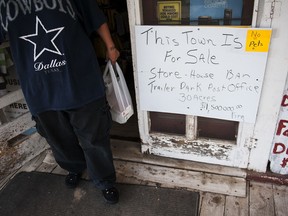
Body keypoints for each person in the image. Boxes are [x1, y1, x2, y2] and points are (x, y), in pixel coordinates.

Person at [0, 0, 120, 204]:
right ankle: (74, 167)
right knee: (58, 138)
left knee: (94, 138)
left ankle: (104, 180)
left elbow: (96, 18)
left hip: (81, 81)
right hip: (40, 89)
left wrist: (111, 46)